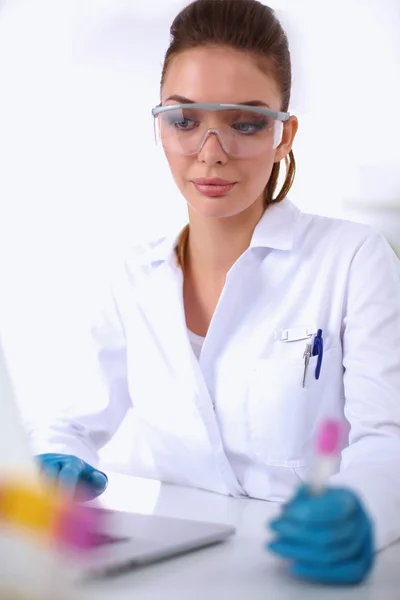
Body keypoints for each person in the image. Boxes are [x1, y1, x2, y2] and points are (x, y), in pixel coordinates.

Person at [29, 0, 400, 586]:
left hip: (298, 572)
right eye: (185, 120)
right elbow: (71, 422)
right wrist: (54, 460)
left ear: (283, 135)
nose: (211, 151)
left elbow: (390, 438)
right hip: (171, 572)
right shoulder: (134, 274)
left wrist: (365, 509)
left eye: (245, 122)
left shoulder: (353, 260)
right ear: (159, 127)